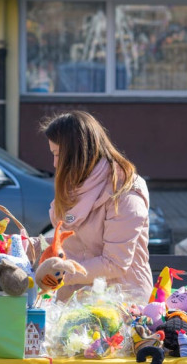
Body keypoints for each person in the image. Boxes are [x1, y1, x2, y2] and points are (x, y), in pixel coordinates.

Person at [39, 110, 153, 301]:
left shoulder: (125, 193)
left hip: (121, 303)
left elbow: (114, 263)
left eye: (58, 154)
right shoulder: (77, 184)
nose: (55, 163)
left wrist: (56, 275)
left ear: (77, 154)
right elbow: (71, 243)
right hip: (78, 299)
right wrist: (27, 246)